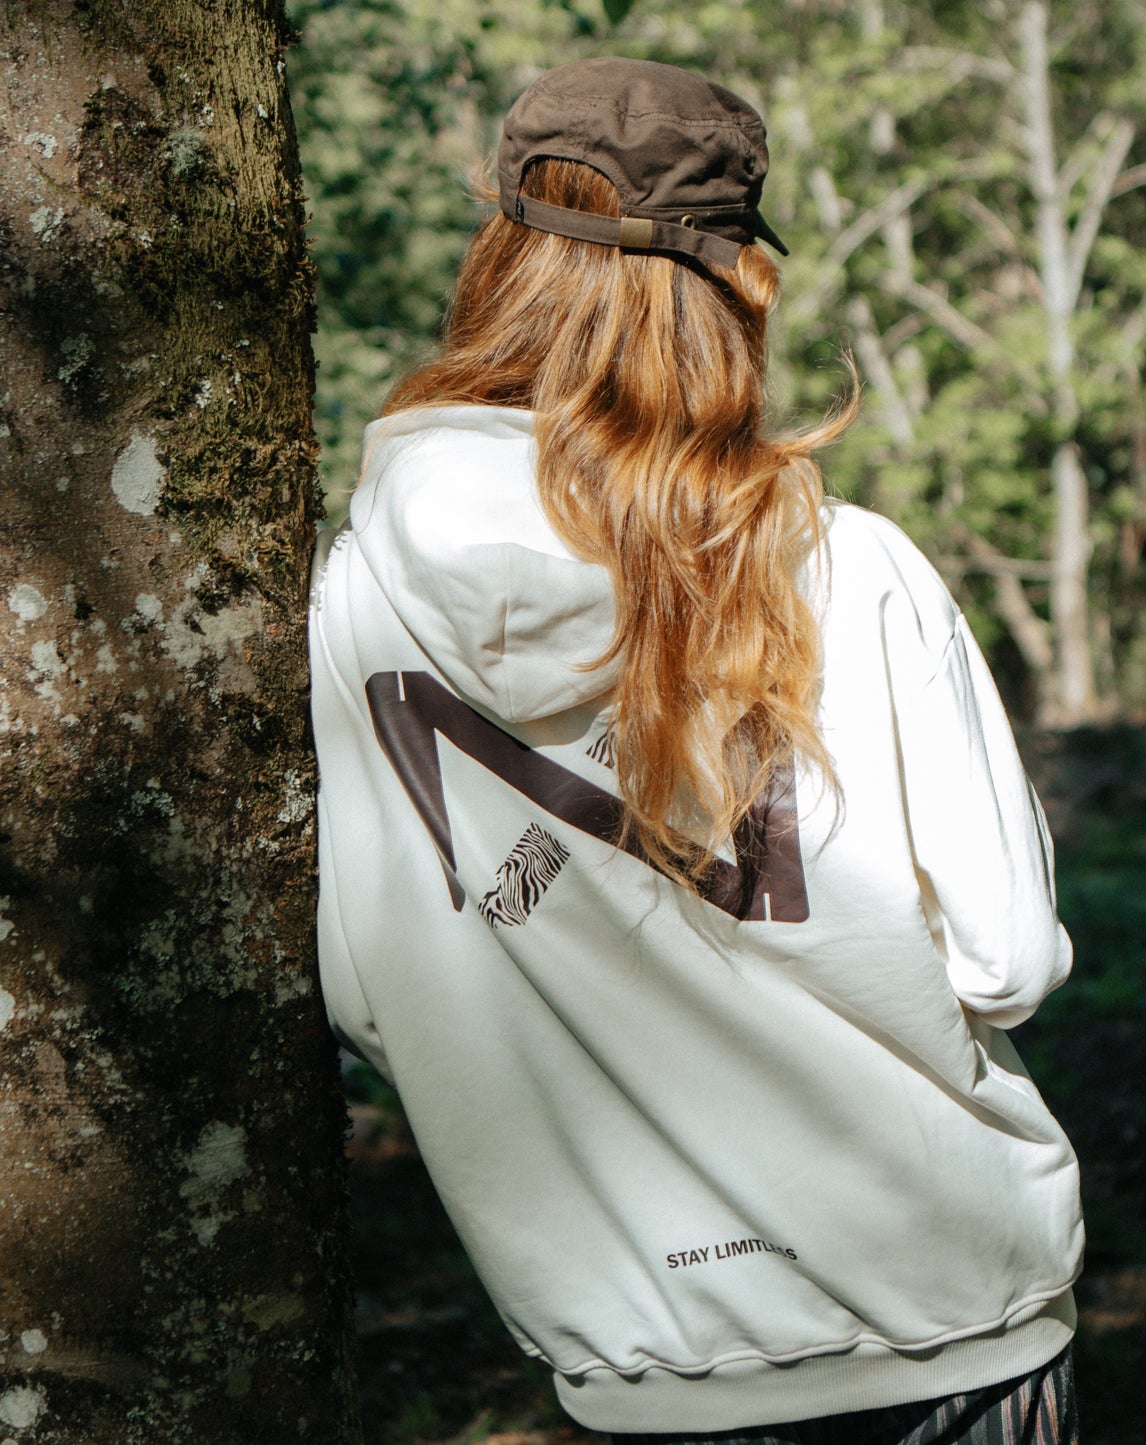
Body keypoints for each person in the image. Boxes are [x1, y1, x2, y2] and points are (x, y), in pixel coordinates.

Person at [309, 56, 1083, 1445]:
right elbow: (1004, 960)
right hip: (947, 1322)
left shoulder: (358, 602)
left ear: (500, 253)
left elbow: (371, 994)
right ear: (735, 286)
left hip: (640, 1360)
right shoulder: (850, 570)